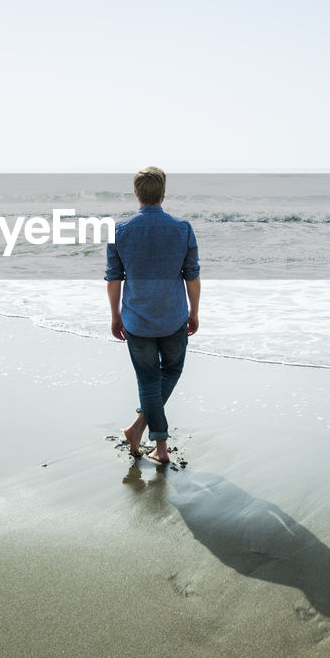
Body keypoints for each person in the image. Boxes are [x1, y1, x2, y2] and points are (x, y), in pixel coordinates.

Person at [105, 166, 201, 466]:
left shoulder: (120, 231)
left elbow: (113, 278)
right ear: (163, 193)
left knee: (148, 380)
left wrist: (115, 316)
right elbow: (192, 277)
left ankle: (140, 431)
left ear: (137, 194)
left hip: (137, 319)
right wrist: (194, 312)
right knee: (170, 371)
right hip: (173, 316)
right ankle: (158, 445)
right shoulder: (183, 229)